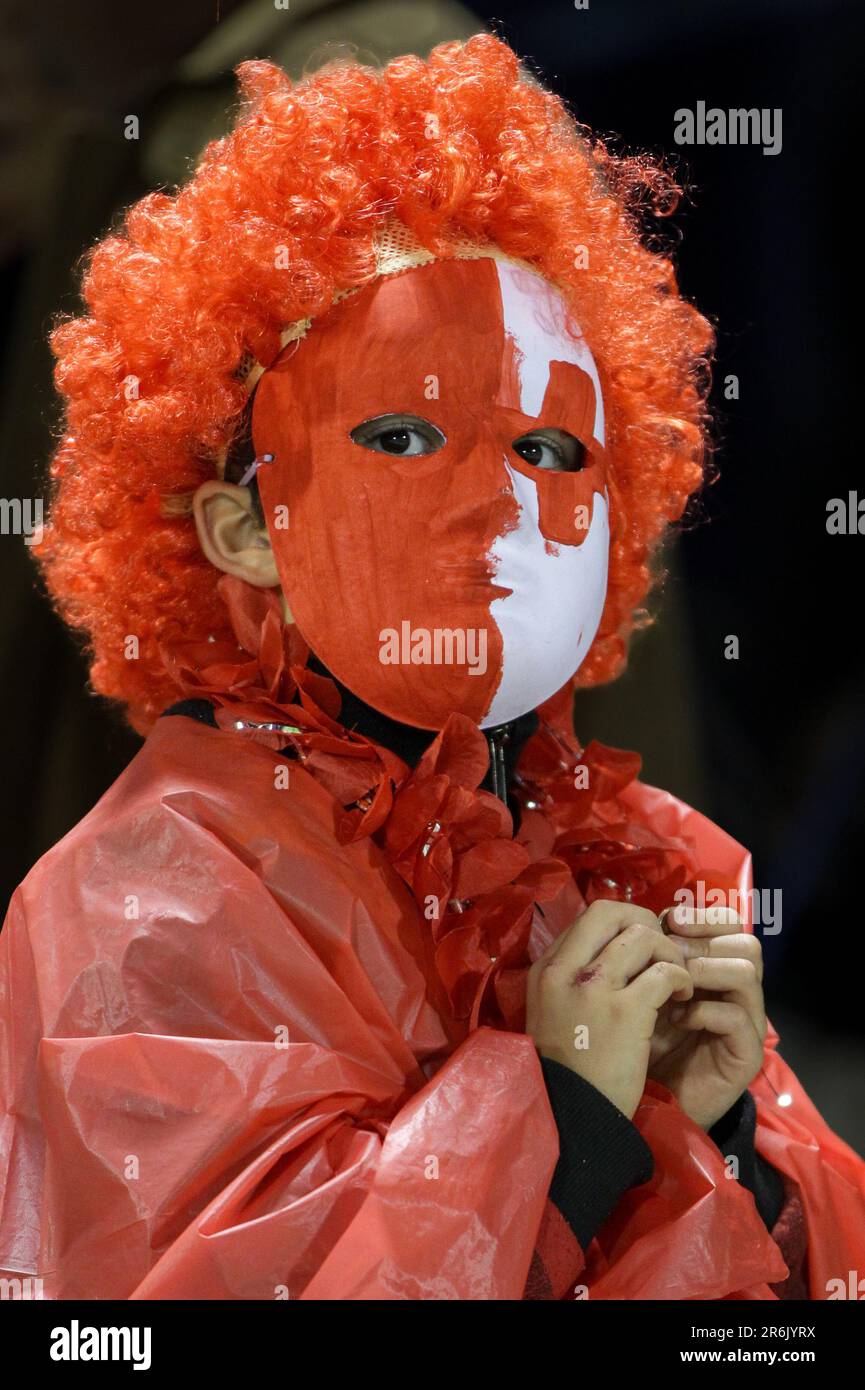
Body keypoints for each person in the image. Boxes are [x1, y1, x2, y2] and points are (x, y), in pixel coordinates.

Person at [1, 34, 863, 1300]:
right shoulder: (144, 904)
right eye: (401, 433)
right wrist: (562, 1122)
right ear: (243, 529)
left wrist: (725, 1139)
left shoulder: (658, 860)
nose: (498, 505)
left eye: (556, 450)